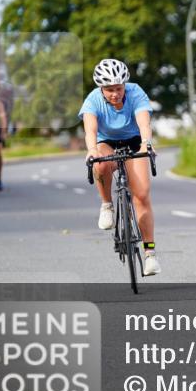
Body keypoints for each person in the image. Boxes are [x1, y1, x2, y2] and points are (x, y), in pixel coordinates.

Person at [78, 59, 161, 276]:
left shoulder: (135, 93)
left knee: (141, 196)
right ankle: (107, 205)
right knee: (100, 164)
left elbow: (144, 123)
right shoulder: (92, 100)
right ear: (101, 88)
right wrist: (92, 150)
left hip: (134, 141)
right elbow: (90, 131)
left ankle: (150, 254)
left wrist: (146, 144)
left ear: (125, 85)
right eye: (109, 90)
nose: (114, 94)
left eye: (118, 88)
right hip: (107, 143)